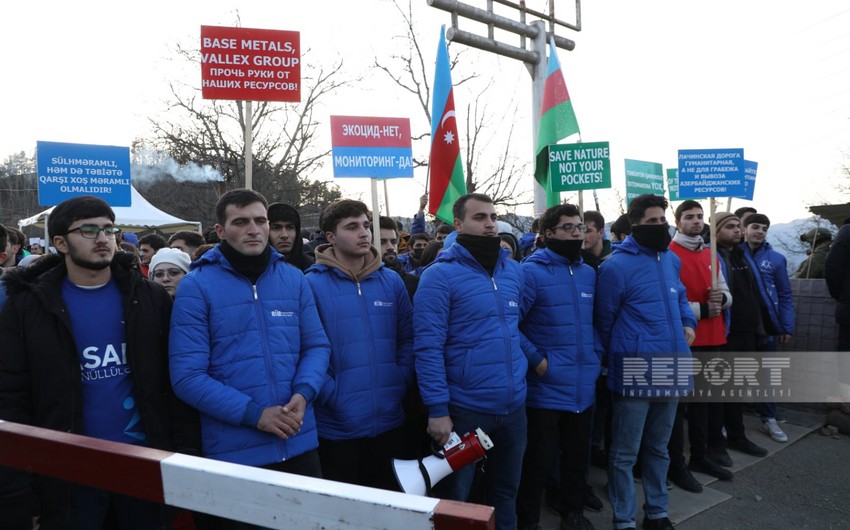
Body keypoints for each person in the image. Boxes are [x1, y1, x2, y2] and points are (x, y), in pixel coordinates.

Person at [0, 196, 198, 529]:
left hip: (144, 466)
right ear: (60, 242)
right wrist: (20, 492)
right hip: (67, 474)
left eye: (108, 229)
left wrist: (185, 460)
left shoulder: (148, 298)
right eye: (89, 230)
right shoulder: (27, 307)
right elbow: (10, 399)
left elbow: (173, 383)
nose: (103, 238)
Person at [169, 189, 331, 529]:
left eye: (260, 221)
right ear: (221, 230)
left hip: (299, 442)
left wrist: (304, 393)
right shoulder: (197, 286)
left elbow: (317, 347)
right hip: (235, 453)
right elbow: (187, 376)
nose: (254, 229)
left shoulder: (294, 278)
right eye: (241, 222)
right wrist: (254, 415)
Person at [414, 193, 527, 530]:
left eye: (493, 217)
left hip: (514, 408)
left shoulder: (514, 272)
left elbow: (514, 330)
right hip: (465, 410)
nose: (490, 223)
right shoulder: (439, 276)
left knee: (506, 492)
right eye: (480, 217)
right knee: (456, 500)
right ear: (459, 224)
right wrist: (437, 409)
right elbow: (428, 347)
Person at [595, 194, 695, 530]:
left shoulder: (670, 260)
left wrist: (688, 323)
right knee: (624, 453)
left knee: (660, 448)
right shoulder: (614, 267)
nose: (660, 226)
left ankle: (657, 513)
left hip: (672, 364)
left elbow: (679, 296)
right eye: (652, 221)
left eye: (662, 220)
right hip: (635, 368)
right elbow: (604, 320)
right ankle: (623, 519)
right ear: (635, 223)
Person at [305, 200, 414, 490]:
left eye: (366, 225)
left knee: (388, 507)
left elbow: (408, 339)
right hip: (337, 426)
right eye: (352, 227)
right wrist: (332, 394)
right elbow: (303, 348)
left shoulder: (391, 282)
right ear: (330, 237)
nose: (364, 233)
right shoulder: (310, 285)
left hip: (389, 420)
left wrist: (399, 379)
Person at [516, 204, 599, 530]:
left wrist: (596, 355)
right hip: (545, 388)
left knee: (578, 458)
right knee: (538, 462)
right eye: (568, 227)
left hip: (584, 385)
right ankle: (528, 521)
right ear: (548, 233)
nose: (577, 233)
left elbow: (597, 324)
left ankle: (573, 514)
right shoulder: (529, 272)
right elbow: (512, 324)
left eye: (579, 227)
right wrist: (537, 362)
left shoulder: (589, 273)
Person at [667, 201, 734, 494]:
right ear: (678, 221)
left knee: (704, 403)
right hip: (687, 336)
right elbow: (670, 301)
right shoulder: (669, 254)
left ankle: (701, 455)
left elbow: (725, 292)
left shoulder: (712, 253)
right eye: (689, 217)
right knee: (679, 404)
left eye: (699, 217)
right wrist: (703, 309)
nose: (696, 221)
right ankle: (675, 462)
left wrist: (722, 300)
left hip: (713, 336)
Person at [712, 212, 769, 457]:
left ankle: (737, 435)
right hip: (727, 333)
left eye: (738, 226)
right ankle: (718, 439)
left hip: (747, 331)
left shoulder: (742, 255)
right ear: (715, 231)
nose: (737, 230)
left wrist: (761, 327)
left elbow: (755, 295)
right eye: (730, 226)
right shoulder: (714, 256)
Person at [742, 213, 794, 443]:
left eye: (764, 228)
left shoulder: (776, 259)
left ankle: (769, 418)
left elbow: (785, 295)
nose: (760, 231)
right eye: (755, 226)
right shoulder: (732, 254)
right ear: (744, 229)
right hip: (739, 324)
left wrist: (786, 326)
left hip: (767, 325)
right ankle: (728, 423)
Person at [379, 215, 419, 300]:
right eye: (382, 242)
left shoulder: (413, 283)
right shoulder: (362, 283)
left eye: (393, 242)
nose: (390, 247)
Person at [268, 202, 315, 272]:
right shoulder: (254, 270)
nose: (284, 235)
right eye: (276, 228)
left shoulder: (311, 269)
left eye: (290, 227)